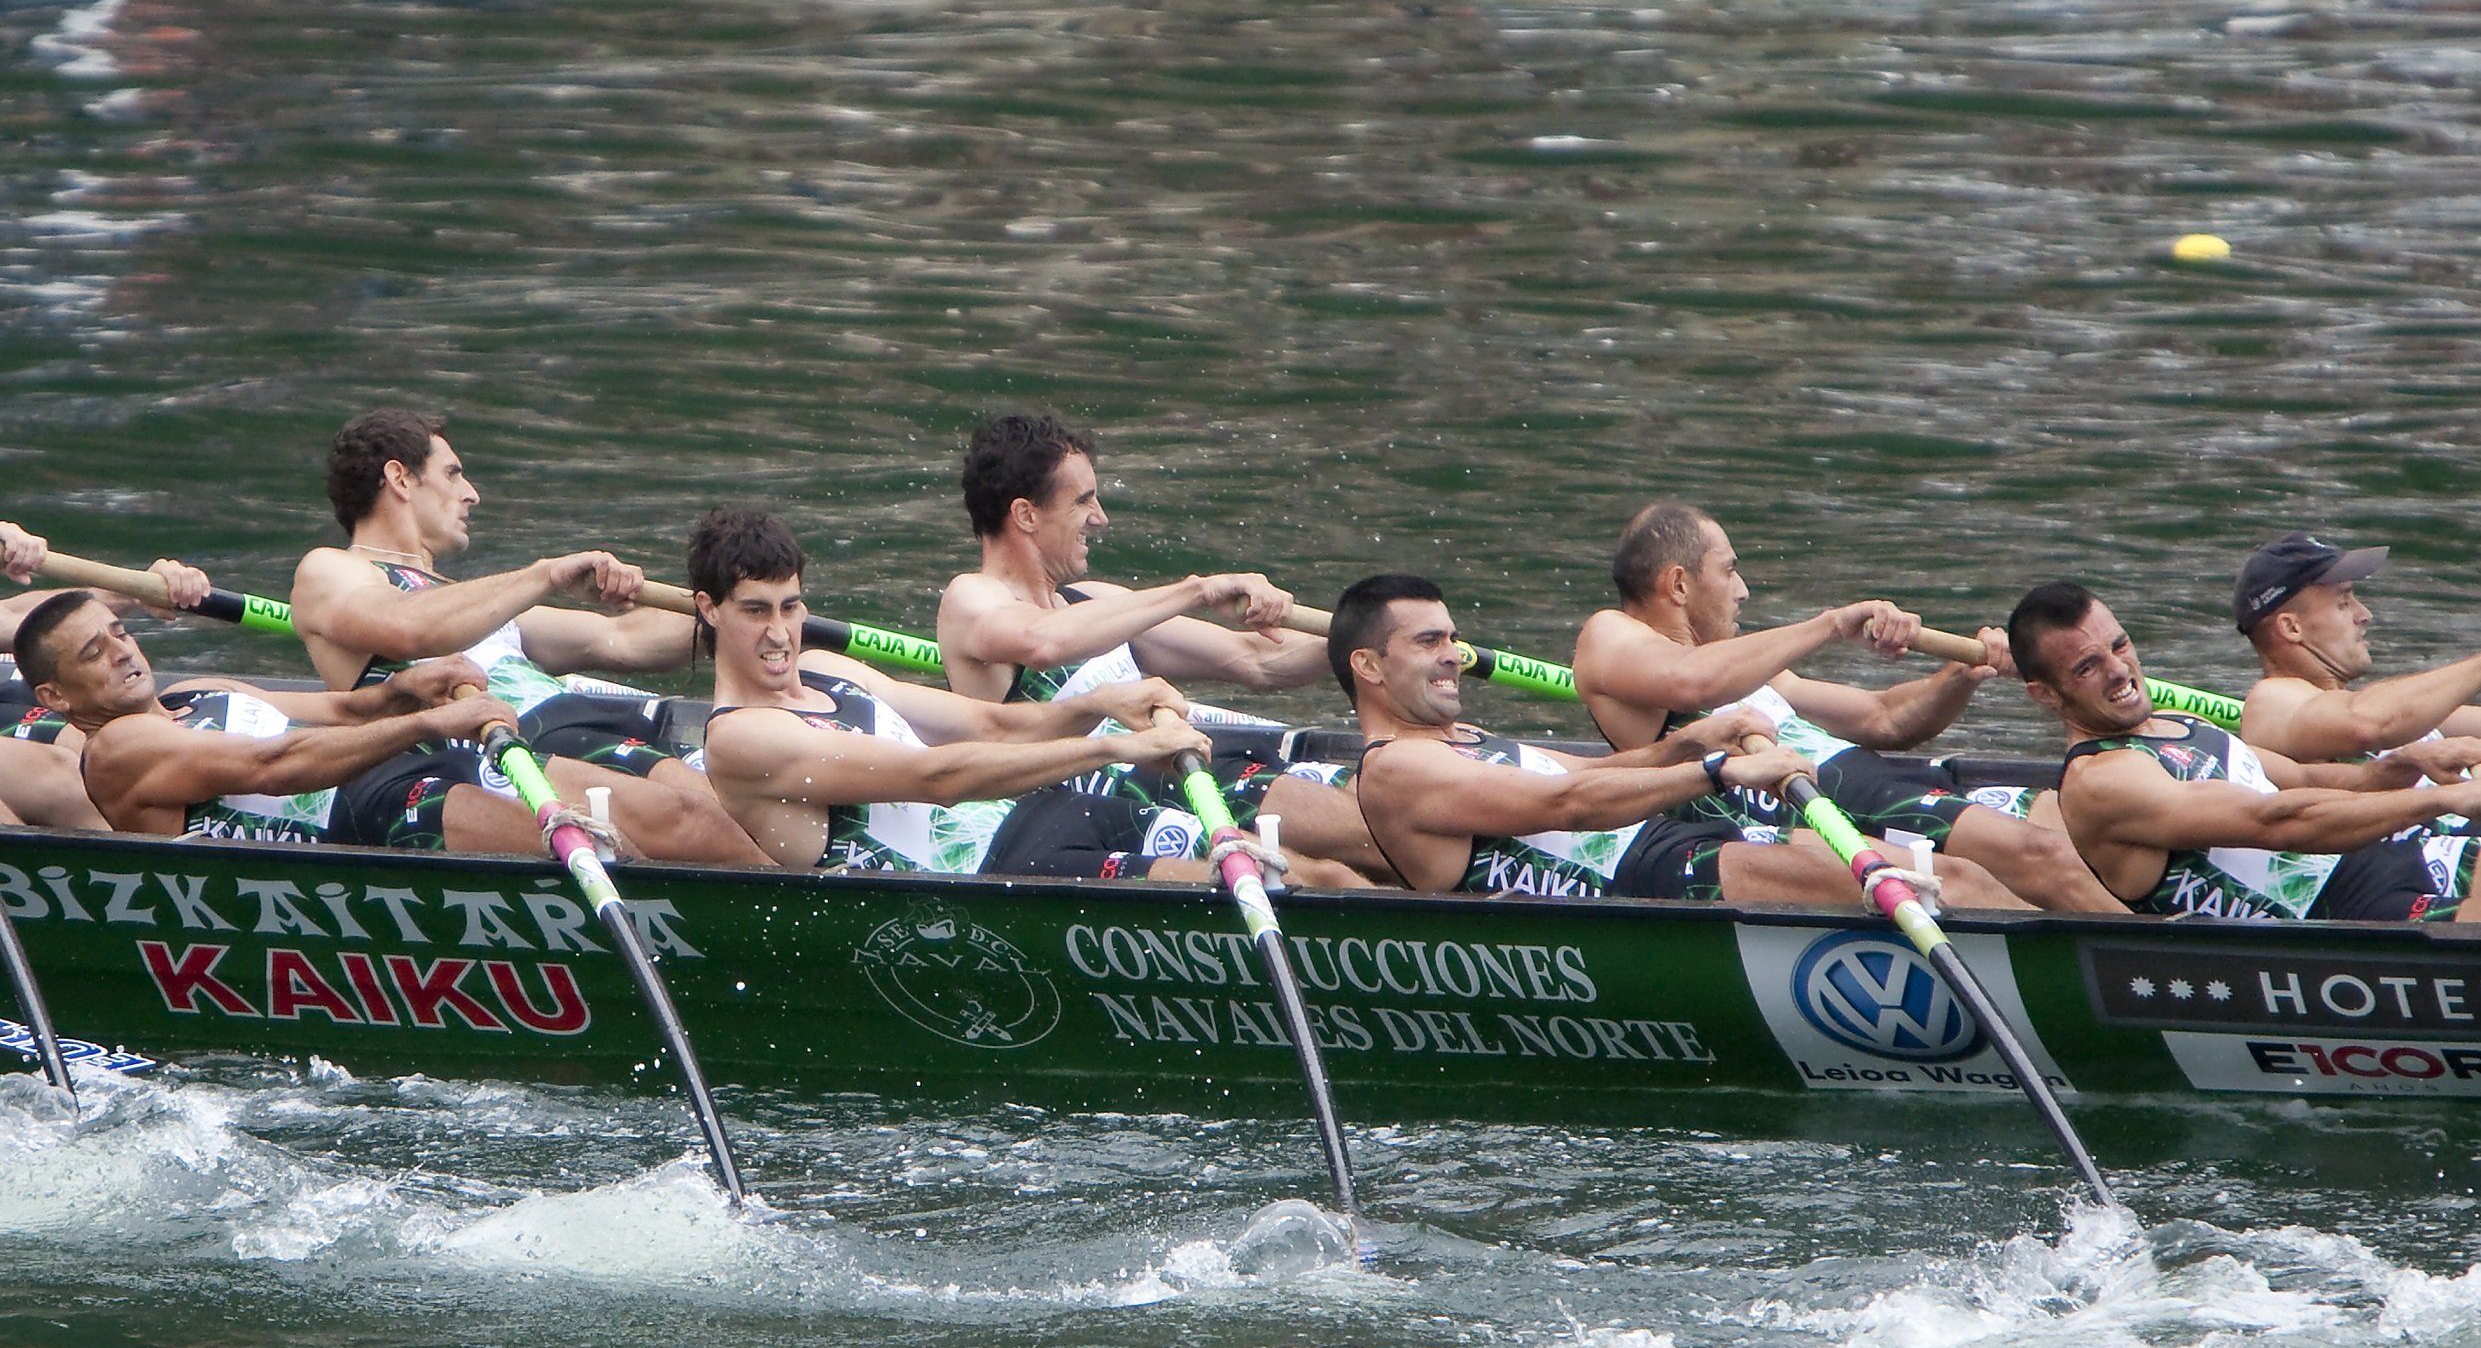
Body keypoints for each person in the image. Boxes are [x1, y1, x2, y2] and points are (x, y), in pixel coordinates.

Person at [692, 508, 1364, 885]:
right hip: (1000, 879)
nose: (780, 632)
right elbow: (940, 776)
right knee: (1287, 884)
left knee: (1319, 874)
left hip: (1049, 818)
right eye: (756, 611)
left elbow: (991, 724)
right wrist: (1115, 745)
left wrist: (1098, 704)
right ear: (709, 610)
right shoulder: (740, 736)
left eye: (791, 605)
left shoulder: (833, 671)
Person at [1336, 573, 2028, 906]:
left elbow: (1594, 772)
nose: (1454, 655)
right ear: (1367, 665)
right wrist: (1717, 772)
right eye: (1430, 642)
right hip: (1636, 886)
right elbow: (1566, 806)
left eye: (1454, 639)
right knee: (1926, 885)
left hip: (1664, 849)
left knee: (1954, 876)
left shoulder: (1463, 738)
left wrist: (1686, 743)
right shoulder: (1395, 769)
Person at [1570, 502, 2120, 912]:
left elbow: (1886, 719)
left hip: (1857, 781)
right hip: (1791, 806)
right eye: (1730, 569)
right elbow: (1692, 685)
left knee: (2056, 837)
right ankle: (2142, 962)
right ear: (1679, 584)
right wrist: (1831, 624)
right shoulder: (1611, 635)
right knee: (2018, 862)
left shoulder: (1743, 661)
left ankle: (2141, 931)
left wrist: (1961, 674)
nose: (1743, 591)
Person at [288, 409, 765, 865]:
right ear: (400, 478)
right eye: (453, 475)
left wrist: (742, 616)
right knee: (690, 821)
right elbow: (407, 630)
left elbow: (622, 638)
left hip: (559, 728)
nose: (471, 494)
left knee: (723, 808)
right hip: (469, 755)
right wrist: (546, 575)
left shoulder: (469, 600)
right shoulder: (333, 568)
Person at [934, 413, 1383, 874]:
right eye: (1083, 501)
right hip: (1064, 817)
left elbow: (1260, 662)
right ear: (1026, 514)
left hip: (1166, 772)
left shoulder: (1095, 602)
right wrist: (1197, 591)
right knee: (1341, 867)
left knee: (1379, 803)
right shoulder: (971, 596)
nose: (1100, 519)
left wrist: (1374, 640)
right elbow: (1040, 642)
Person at [2008, 580, 2481, 921]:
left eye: (2120, 645)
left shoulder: (2182, 724)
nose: (2119, 670)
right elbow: (2275, 822)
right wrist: (2439, 799)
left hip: (2374, 861)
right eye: (2089, 667)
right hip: (2327, 924)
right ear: (2046, 694)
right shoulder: (2103, 780)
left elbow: (2315, 782)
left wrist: (2408, 762)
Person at [16, 588, 560, 852]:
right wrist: (427, 724)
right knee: (591, 854)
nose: (122, 653)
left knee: (631, 825)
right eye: (93, 653)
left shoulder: (194, 691)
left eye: (120, 633)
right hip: (372, 828)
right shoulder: (117, 747)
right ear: (54, 695)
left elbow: (344, 709)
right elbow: (272, 764)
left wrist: (406, 689)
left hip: (392, 774)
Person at [0, 520, 215, 828]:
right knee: (66, 765)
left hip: (15, 694)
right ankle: (129, 859)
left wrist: (138, 590)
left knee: (136, 727)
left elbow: (21, 618)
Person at [2235, 532, 2481, 766]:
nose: (2365, 615)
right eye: (2343, 603)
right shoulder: (2272, 700)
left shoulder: (2393, 710)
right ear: (2291, 627)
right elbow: (2367, 725)